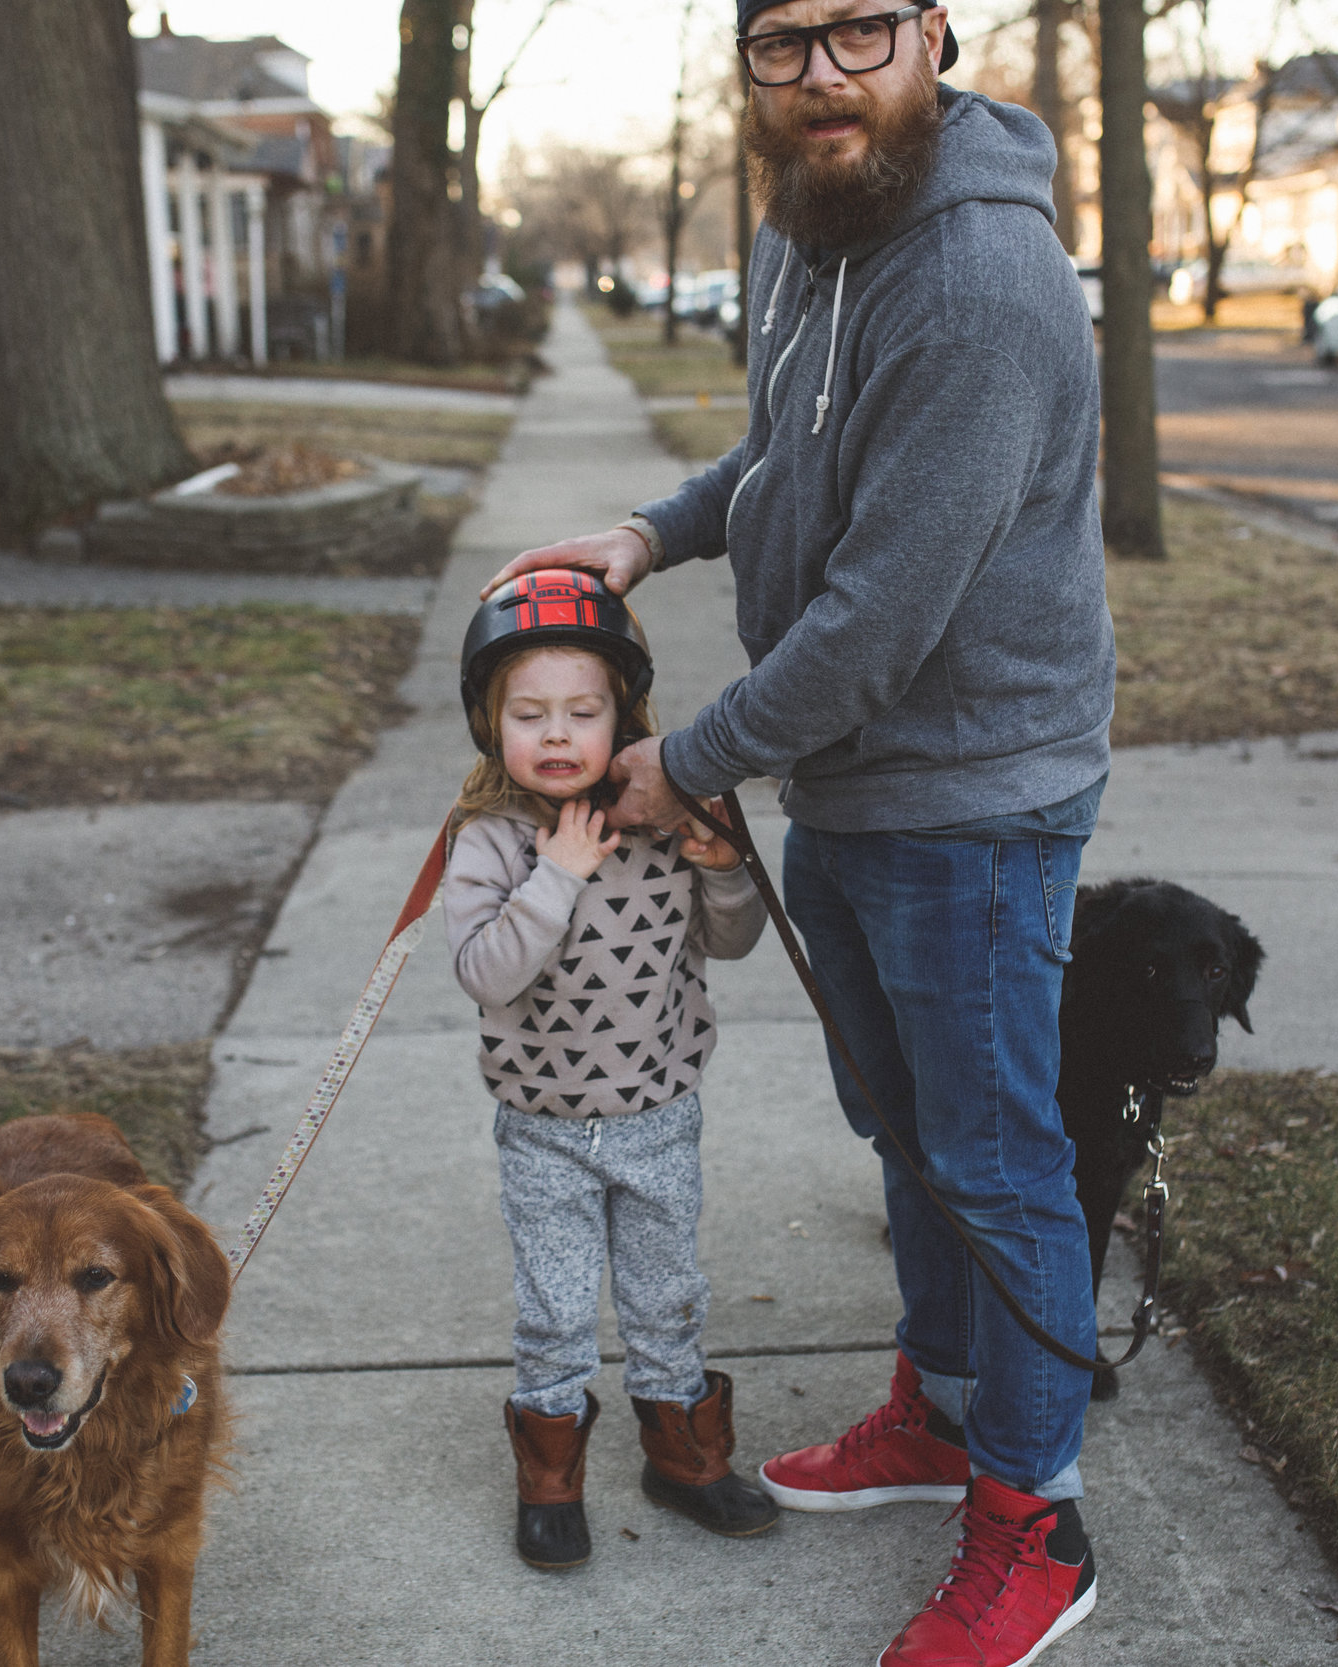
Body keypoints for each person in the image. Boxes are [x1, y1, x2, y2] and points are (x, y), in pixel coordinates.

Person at [477, 1, 1115, 1661]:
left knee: (995, 1155)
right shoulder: (817, 227)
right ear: (748, 64)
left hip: (973, 789)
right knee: (904, 1125)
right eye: (784, 40)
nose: (822, 71)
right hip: (850, 774)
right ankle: (946, 1407)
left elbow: (881, 618)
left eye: (860, 31)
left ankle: (1034, 1518)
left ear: (936, 35)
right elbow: (785, 458)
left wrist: (685, 759)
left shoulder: (978, 283)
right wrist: (650, 529)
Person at [445, 568, 778, 1571]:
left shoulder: (657, 814)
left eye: (581, 712)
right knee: (553, 1305)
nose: (555, 734)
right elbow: (486, 971)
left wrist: (720, 861)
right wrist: (558, 876)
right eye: (529, 713)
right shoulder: (493, 839)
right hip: (544, 1124)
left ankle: (682, 1454)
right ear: (488, 721)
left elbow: (731, 940)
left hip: (658, 1112)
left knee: (667, 1292)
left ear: (622, 715)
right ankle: (549, 1476)